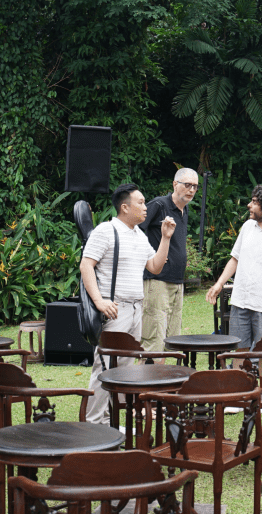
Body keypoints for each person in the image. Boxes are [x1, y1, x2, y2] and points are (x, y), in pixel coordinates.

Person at [80, 183, 175, 424]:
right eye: (141, 203)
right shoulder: (106, 231)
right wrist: (99, 301)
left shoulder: (138, 235)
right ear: (125, 207)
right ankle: (94, 424)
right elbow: (86, 265)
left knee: (125, 369)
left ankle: (112, 422)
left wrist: (165, 238)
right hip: (115, 310)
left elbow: (154, 266)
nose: (146, 207)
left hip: (135, 308)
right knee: (104, 368)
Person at [206, 185, 262, 392]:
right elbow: (234, 258)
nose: (249, 205)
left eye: (254, 202)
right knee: (239, 349)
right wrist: (219, 284)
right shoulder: (247, 227)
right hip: (241, 301)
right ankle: (238, 393)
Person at [139, 168, 199, 354]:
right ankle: (148, 382)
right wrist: (150, 257)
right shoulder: (159, 205)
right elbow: (135, 230)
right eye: (187, 185)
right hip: (157, 281)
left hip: (177, 282)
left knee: (171, 341)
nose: (191, 190)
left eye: (195, 186)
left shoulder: (184, 209)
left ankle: (164, 382)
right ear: (175, 184)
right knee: (154, 341)